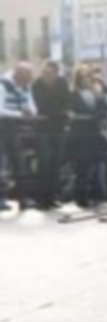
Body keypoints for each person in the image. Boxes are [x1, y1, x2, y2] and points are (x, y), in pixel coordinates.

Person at [68, 64, 107, 208]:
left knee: (97, 165)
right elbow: (73, 113)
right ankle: (81, 197)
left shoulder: (95, 92)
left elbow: (103, 110)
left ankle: (97, 195)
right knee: (82, 167)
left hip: (94, 133)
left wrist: (100, 96)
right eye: (82, 77)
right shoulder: (73, 94)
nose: (85, 80)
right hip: (80, 135)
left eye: (87, 76)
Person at [32, 61, 71, 210]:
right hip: (43, 128)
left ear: (56, 73)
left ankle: (53, 196)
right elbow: (41, 105)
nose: (46, 76)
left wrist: (58, 108)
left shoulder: (62, 83)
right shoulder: (37, 85)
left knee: (57, 163)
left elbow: (66, 102)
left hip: (59, 127)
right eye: (44, 73)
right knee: (44, 162)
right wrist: (57, 108)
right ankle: (41, 198)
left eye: (49, 73)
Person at [0, 62, 38, 211]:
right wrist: (20, 114)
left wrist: (31, 112)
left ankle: (23, 199)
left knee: (19, 164)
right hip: (2, 127)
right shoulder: (3, 85)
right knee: (1, 165)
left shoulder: (26, 86)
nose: (29, 80)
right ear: (18, 74)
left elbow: (32, 106)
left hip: (15, 129)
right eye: (27, 77)